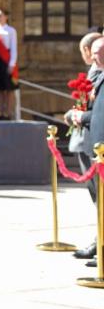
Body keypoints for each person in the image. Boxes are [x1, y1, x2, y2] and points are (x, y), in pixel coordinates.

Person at [65, 34, 104, 261]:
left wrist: (81, 116)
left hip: (97, 143)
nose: (94, 60)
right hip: (93, 142)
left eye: (98, 55)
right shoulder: (97, 74)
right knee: (97, 198)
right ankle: (99, 241)